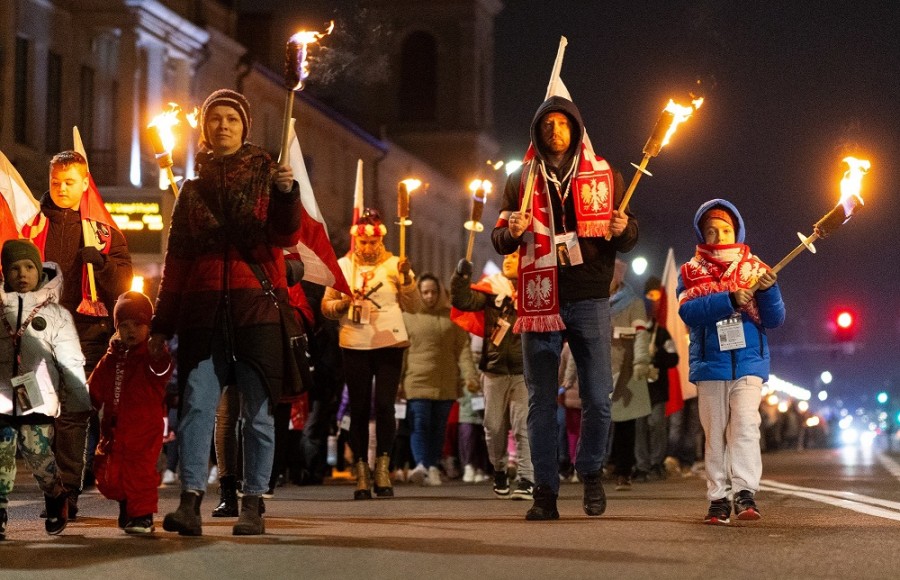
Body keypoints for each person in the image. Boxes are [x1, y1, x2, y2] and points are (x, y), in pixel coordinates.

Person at [149, 88, 301, 536]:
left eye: (232, 119)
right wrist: (162, 323)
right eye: (215, 119)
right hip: (203, 312)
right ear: (205, 129)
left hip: (256, 310)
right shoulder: (191, 192)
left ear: (244, 127)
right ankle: (191, 500)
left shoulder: (271, 178)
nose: (223, 126)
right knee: (197, 406)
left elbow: (283, 234)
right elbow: (175, 264)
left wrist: (287, 195)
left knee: (256, 412)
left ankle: (253, 502)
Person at [492, 94, 638, 520]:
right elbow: (499, 238)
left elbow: (628, 233)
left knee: (598, 396)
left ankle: (591, 472)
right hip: (540, 297)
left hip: (590, 296)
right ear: (536, 132)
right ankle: (545, 493)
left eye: (562, 123)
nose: (554, 130)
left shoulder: (607, 174)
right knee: (541, 401)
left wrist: (625, 228)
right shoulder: (520, 180)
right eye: (546, 124)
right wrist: (511, 232)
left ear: (576, 128)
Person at [23, 150, 133, 517]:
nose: (62, 189)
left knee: (71, 414)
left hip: (85, 332)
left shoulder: (104, 232)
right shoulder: (30, 227)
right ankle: (54, 485)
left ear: (86, 183)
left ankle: (66, 492)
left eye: (70, 182)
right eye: (56, 182)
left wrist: (101, 264)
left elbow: (122, 285)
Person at [677, 198, 785, 525]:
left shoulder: (756, 270)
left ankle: (745, 492)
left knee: (745, 426)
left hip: (749, 363)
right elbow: (688, 312)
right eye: (711, 231)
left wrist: (768, 291)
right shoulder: (690, 272)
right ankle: (718, 497)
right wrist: (728, 299)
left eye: (725, 229)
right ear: (702, 235)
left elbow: (775, 319)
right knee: (715, 431)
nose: (719, 236)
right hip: (710, 365)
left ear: (736, 231)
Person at [321, 209, 420, 500]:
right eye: (363, 243)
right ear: (356, 242)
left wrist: (406, 279)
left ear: (380, 240)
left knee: (385, 406)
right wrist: (341, 306)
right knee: (360, 408)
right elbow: (326, 308)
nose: (368, 248)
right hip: (354, 341)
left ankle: (382, 468)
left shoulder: (395, 264)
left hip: (389, 340)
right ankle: (361, 469)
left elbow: (413, 305)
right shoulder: (342, 266)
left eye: (373, 242)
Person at [0, 239, 91, 539]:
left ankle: (55, 495)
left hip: (36, 399)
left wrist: (79, 401)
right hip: (1, 397)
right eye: (14, 268)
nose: (22, 274)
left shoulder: (56, 315)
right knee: (1, 454)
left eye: (28, 267)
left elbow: (71, 361)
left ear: (39, 271)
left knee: (39, 454)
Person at [450, 251, 534, 499]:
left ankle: (526, 478)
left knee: (523, 427)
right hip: (494, 371)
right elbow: (463, 300)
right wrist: (461, 277)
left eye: (515, 255)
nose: (508, 259)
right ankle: (499, 469)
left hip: (523, 371)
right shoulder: (492, 290)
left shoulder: (536, 289)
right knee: (494, 426)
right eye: (506, 255)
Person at [89, 291, 173, 535]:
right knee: (112, 474)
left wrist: (159, 356)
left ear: (148, 326)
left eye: (138, 324)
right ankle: (128, 509)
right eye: (124, 325)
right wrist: (86, 403)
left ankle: (143, 515)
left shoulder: (151, 355)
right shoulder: (111, 358)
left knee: (140, 473)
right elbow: (96, 386)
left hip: (144, 428)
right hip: (114, 428)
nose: (131, 331)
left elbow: (162, 372)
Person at [401, 274, 478, 487]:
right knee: (420, 424)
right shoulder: (408, 316)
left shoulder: (452, 318)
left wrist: (470, 375)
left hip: (446, 382)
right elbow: (401, 352)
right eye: (424, 292)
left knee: (438, 428)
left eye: (433, 291)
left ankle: (431, 465)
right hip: (416, 382)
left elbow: (462, 350)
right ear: (418, 292)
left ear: (440, 292)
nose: (429, 296)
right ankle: (422, 465)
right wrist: (398, 382)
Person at [608, 260, 651, 491]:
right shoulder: (594, 303)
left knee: (625, 423)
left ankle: (624, 471)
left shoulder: (633, 303)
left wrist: (641, 360)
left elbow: (641, 334)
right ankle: (597, 467)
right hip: (601, 367)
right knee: (597, 421)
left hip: (627, 368)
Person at [633, 276, 680, 482]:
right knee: (640, 427)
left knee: (657, 424)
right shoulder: (633, 333)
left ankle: (655, 463)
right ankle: (642, 465)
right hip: (638, 387)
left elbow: (673, 358)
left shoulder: (662, 334)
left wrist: (656, 354)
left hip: (658, 389)